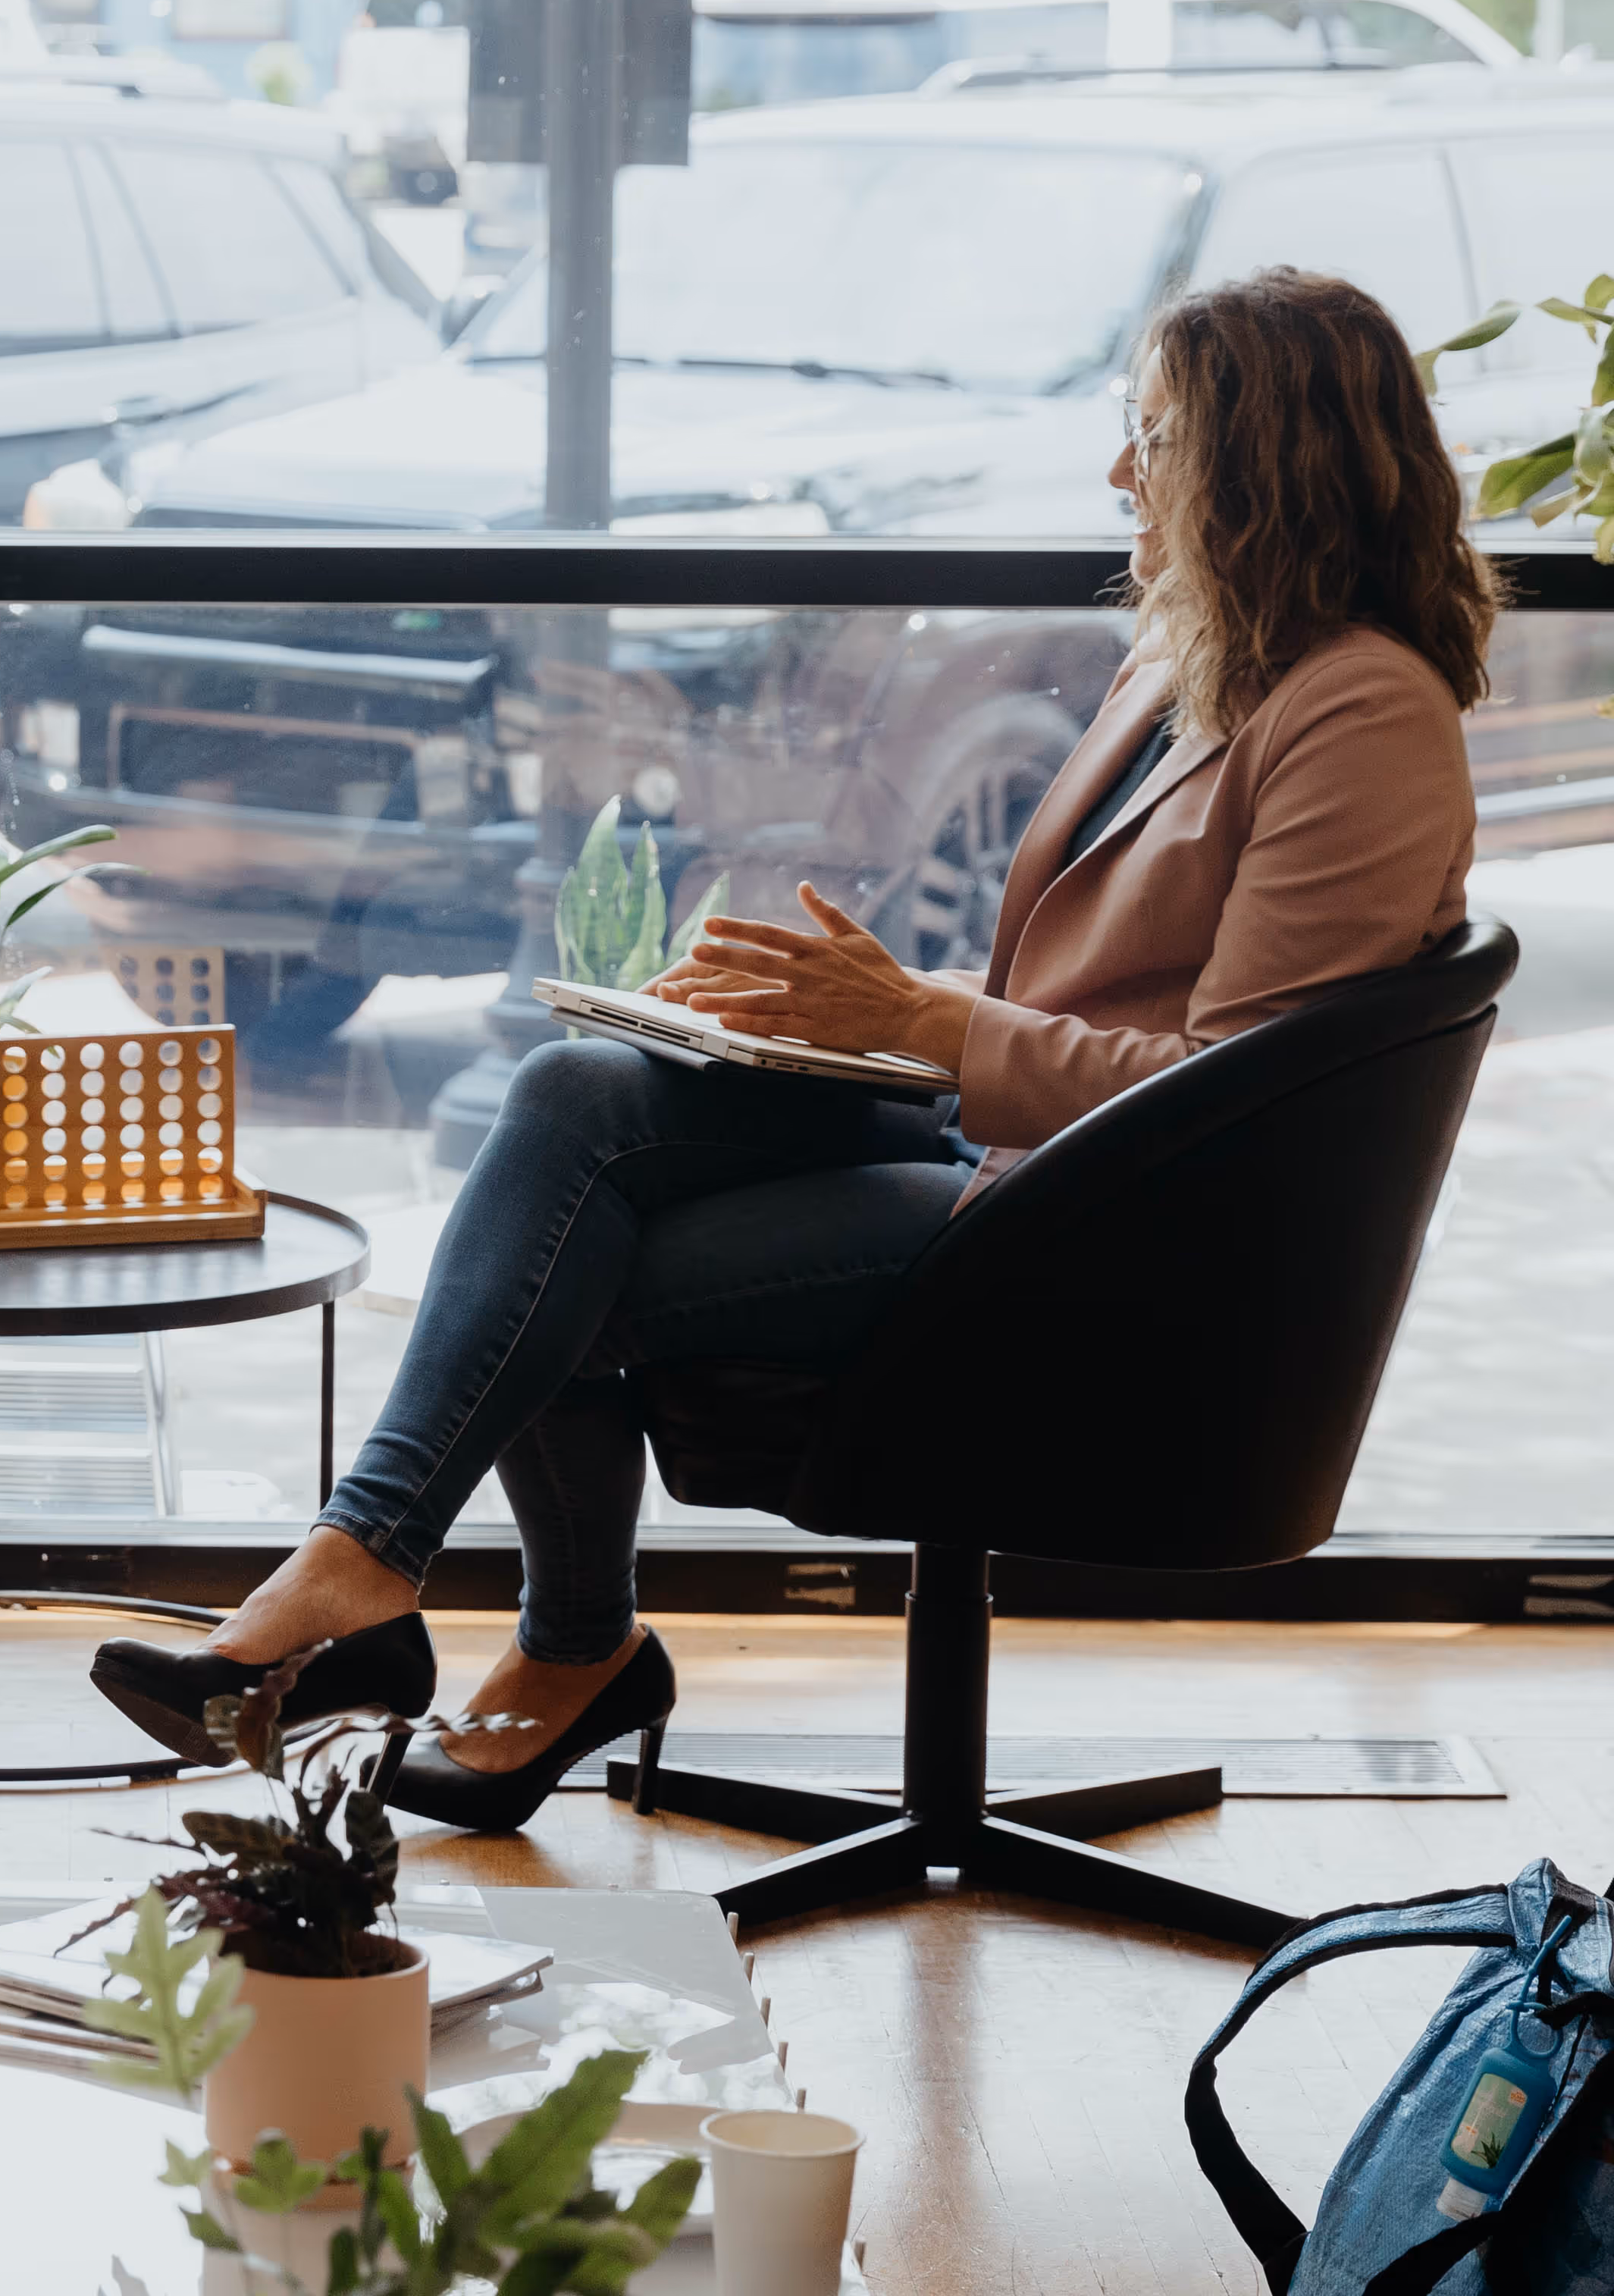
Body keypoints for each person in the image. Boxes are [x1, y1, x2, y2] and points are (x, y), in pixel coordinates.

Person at [92, 267, 1496, 1826]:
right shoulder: (1193, 659)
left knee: (559, 1261)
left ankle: (491, 1621)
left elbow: (1236, 1099)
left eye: (1151, 433)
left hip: (1115, 1240)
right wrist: (824, 1012)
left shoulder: (1362, 713)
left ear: (1266, 461)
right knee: (571, 1094)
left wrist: (923, 1022)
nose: (1117, 471)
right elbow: (1106, 982)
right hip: (1021, 1155)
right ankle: (418, 1585)